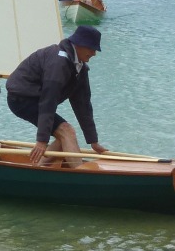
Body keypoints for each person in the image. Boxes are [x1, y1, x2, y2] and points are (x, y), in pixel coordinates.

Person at [6, 25, 107, 169]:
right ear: (80, 44)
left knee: (63, 137)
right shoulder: (58, 63)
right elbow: (49, 100)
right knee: (66, 131)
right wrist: (42, 140)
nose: (94, 53)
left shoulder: (80, 67)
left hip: (39, 100)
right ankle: (82, 178)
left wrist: (93, 141)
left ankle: (38, 168)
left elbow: (83, 104)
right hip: (21, 99)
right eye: (92, 48)